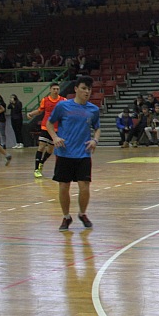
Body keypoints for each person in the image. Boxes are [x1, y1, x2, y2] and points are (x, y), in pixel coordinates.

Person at [46, 76, 100, 231]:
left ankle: (82, 213)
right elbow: (49, 123)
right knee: (64, 187)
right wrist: (55, 137)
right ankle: (66, 217)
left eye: (89, 89)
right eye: (84, 88)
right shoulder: (63, 106)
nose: (87, 91)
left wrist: (95, 140)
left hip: (83, 154)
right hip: (64, 153)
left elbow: (97, 128)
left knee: (84, 187)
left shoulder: (93, 110)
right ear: (76, 89)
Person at [28, 82, 65, 178]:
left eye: (57, 89)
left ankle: (42, 162)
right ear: (50, 90)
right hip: (45, 126)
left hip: (56, 128)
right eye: (54, 89)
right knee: (41, 146)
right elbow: (40, 110)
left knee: (50, 149)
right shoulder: (45, 100)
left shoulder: (63, 100)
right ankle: (36, 169)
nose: (56, 91)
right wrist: (31, 113)